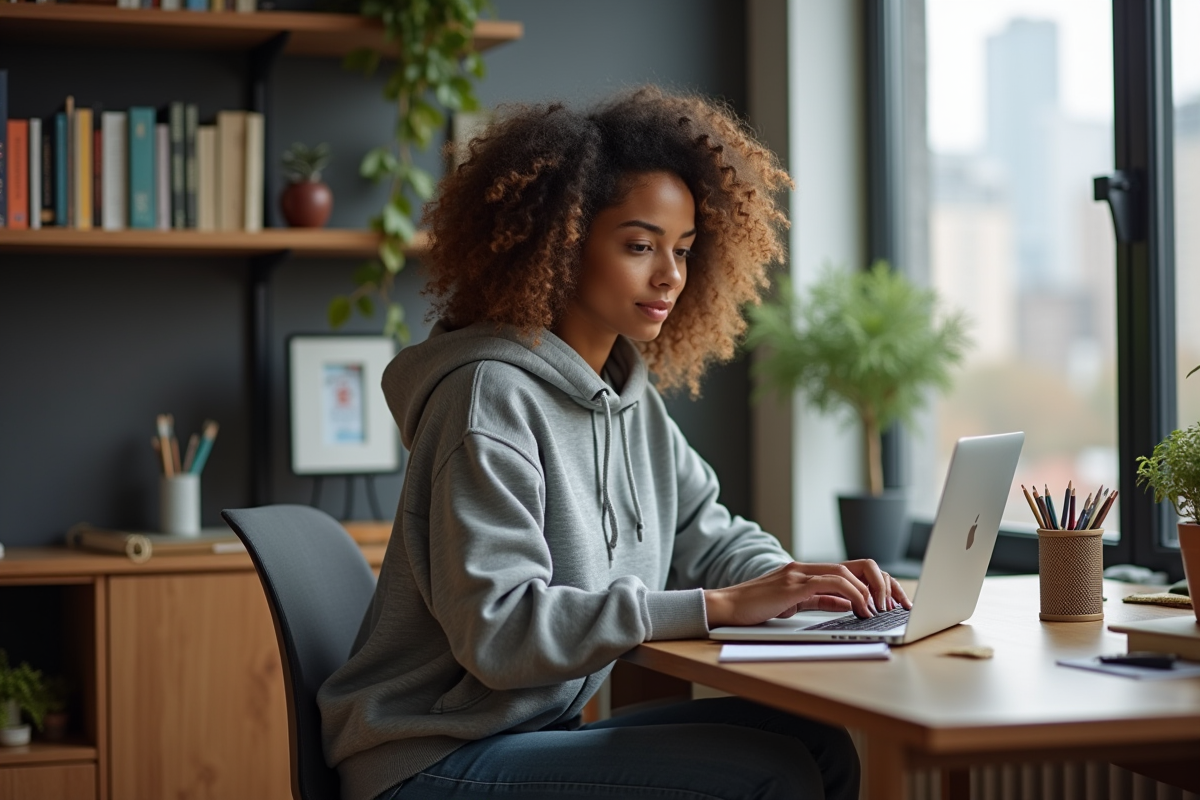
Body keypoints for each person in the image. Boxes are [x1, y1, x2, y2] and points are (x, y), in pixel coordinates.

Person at [318, 86, 911, 800]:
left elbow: (710, 537)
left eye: (684, 251)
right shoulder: (486, 398)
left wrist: (809, 591)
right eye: (639, 245)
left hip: (529, 735)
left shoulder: (630, 401)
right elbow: (500, 632)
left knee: (813, 743)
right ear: (561, 244)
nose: (669, 276)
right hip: (425, 756)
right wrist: (718, 607)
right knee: (773, 776)